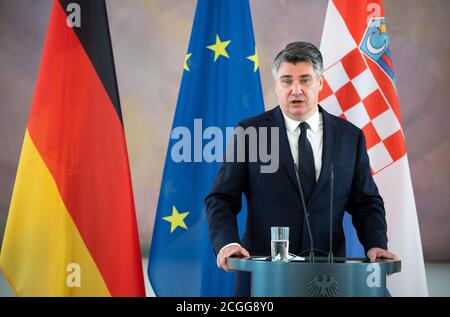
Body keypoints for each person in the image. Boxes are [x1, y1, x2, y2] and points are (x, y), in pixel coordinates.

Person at [205, 41, 397, 296]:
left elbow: (366, 202)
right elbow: (221, 198)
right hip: (265, 280)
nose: (296, 90)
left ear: (320, 83)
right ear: (276, 84)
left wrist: (376, 243)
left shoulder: (350, 137)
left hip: (330, 279)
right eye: (286, 80)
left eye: (305, 80)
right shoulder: (250, 133)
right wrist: (227, 243)